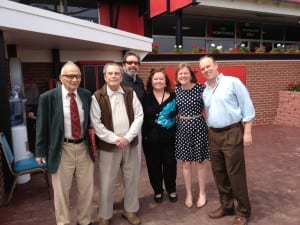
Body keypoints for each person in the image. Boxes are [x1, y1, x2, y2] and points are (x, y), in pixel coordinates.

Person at [35, 61, 95, 225]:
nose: (75, 80)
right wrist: (40, 151)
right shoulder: (47, 98)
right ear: (61, 77)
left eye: (78, 76)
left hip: (83, 147)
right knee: (61, 192)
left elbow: (91, 120)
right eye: (70, 76)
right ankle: (64, 222)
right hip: (61, 149)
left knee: (86, 190)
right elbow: (41, 126)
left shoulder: (86, 95)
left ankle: (84, 221)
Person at [199, 55, 255, 225]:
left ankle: (243, 211)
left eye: (209, 66)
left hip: (232, 132)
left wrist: (247, 132)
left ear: (216, 66)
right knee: (219, 173)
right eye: (203, 69)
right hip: (214, 134)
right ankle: (227, 205)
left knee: (235, 173)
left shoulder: (233, 82)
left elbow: (248, 108)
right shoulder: (205, 90)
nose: (206, 70)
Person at [90, 63, 144, 225]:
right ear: (105, 76)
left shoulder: (129, 93)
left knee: (131, 178)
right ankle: (105, 215)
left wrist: (128, 137)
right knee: (107, 181)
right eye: (110, 73)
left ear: (121, 76)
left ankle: (130, 211)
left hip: (129, 143)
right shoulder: (97, 96)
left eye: (117, 74)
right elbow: (96, 123)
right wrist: (115, 139)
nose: (114, 76)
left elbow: (139, 116)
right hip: (109, 146)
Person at [174, 63, 210, 209]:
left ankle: (202, 193)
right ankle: (189, 193)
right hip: (182, 128)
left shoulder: (201, 88)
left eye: (185, 73)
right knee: (186, 163)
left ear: (191, 75)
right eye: (180, 74)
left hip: (199, 127)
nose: (183, 76)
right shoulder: (175, 91)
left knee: (200, 162)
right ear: (177, 76)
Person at [142, 68, 177, 203]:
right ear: (151, 81)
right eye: (155, 79)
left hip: (169, 138)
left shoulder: (173, 95)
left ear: (165, 81)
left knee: (170, 164)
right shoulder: (145, 96)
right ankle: (158, 190)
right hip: (150, 139)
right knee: (154, 165)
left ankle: (171, 189)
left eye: (161, 79)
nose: (158, 81)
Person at [121, 51, 145, 173]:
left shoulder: (139, 82)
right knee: (123, 162)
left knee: (135, 161)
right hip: (122, 128)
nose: (133, 65)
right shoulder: (119, 82)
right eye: (129, 62)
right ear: (124, 64)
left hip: (137, 126)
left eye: (135, 63)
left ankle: (132, 191)